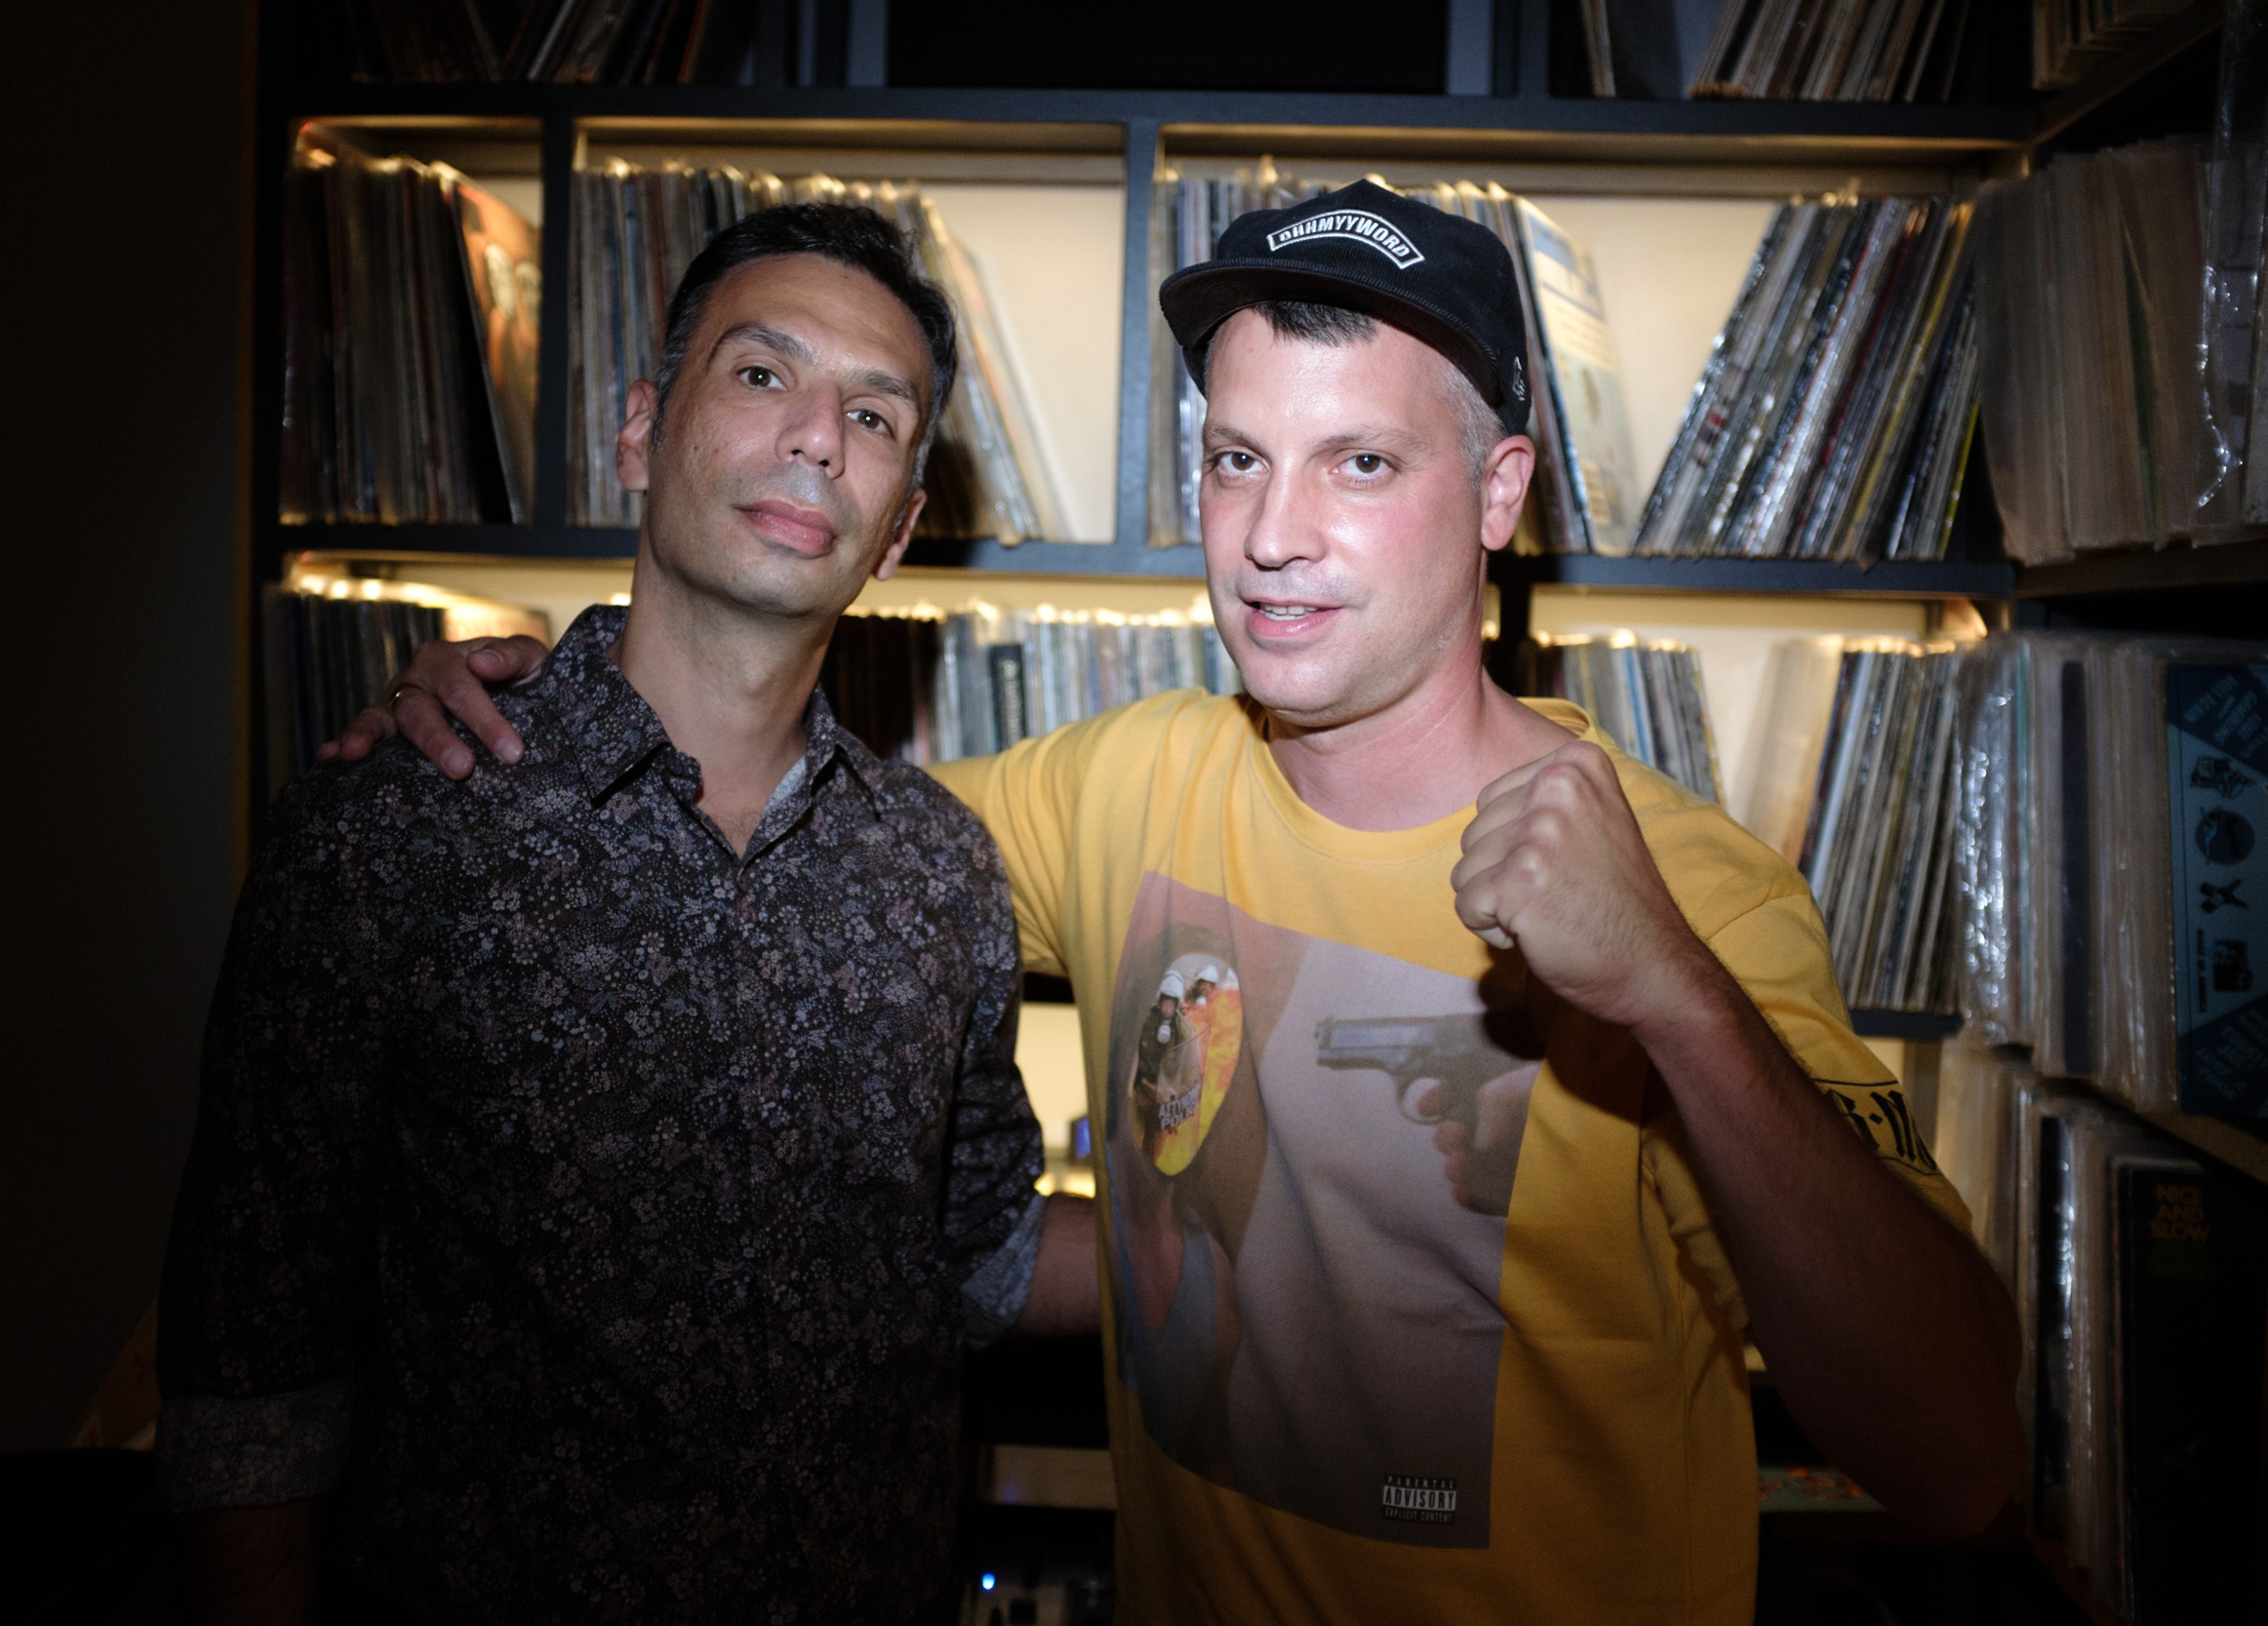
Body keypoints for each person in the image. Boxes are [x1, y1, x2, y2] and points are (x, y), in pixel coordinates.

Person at [344, 181, 2022, 1623]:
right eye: (1237, 458)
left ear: (1501, 496)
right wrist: (539, 710)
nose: (1273, 536)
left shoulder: (1697, 892)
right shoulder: (1128, 784)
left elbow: (1955, 1462)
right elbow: (764, 828)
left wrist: (1672, 996)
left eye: (1361, 462)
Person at [155, 203, 1096, 1626]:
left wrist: (1325, 1248)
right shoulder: (393, 829)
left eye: (875, 416)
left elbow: (977, 1250)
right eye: (764, 374)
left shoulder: (940, 871)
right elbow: (249, 1380)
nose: (818, 438)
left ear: (898, 531)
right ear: (642, 434)